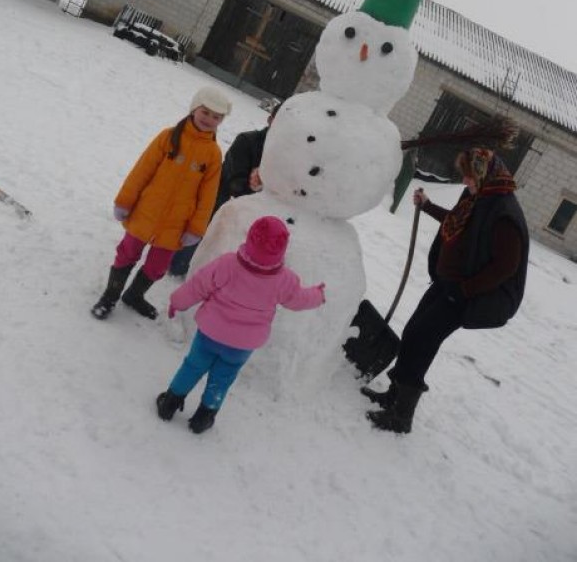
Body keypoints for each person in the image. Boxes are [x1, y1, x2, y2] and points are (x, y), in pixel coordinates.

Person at [363, 148, 529, 434]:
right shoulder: (478, 196)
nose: (464, 180)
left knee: (422, 339)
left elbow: (505, 267)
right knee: (414, 332)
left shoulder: (504, 214)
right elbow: (458, 221)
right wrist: (427, 206)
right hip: (445, 284)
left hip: (463, 294)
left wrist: (464, 290)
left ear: (484, 174)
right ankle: (394, 395)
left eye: (469, 175)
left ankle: (401, 416)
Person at [156, 215, 325, 434]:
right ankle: (204, 417)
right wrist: (318, 295)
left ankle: (169, 403)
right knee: (222, 378)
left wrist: (177, 302)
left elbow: (198, 285)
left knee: (193, 366)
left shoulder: (227, 264)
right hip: (241, 346)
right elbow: (298, 299)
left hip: (210, 334)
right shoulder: (284, 280)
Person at [90, 85, 232, 321]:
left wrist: (196, 228)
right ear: (194, 109)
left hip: (176, 224)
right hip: (146, 212)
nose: (209, 119)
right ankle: (110, 296)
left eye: (216, 116)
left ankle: (134, 295)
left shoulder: (213, 154)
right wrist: (125, 201)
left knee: (157, 267)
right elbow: (142, 170)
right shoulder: (169, 136)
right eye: (205, 112)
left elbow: (207, 196)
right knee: (126, 254)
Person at [168, 101, 282, 277]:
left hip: (254, 206)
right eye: (279, 120)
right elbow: (235, 181)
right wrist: (255, 188)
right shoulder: (247, 140)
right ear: (270, 119)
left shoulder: (286, 153)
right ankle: (180, 262)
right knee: (204, 228)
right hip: (220, 195)